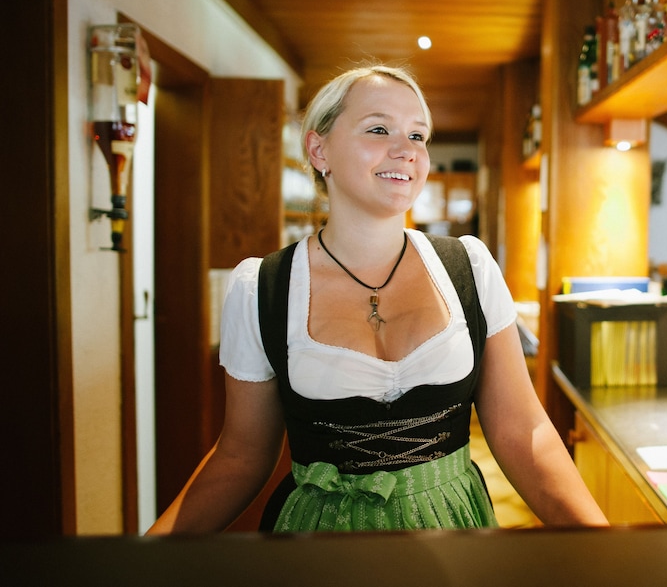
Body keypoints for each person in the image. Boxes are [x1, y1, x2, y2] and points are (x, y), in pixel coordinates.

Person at [147, 64, 608, 533]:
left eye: (418, 135)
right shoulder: (261, 287)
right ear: (319, 149)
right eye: (379, 129)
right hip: (319, 541)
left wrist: (604, 545)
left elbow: (523, 432)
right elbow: (241, 455)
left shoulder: (469, 267)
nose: (406, 150)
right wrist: (148, 557)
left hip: (454, 531)